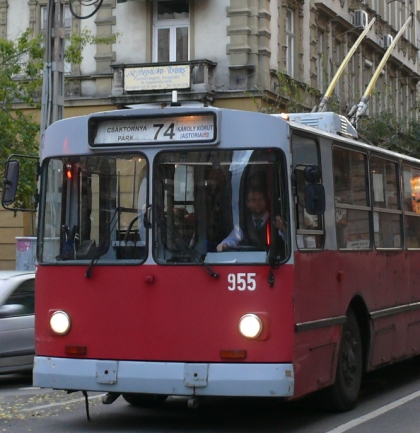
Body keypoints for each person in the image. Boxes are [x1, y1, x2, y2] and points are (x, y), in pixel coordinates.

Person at [216, 187, 286, 254]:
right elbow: (231, 240)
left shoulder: (276, 221)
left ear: (266, 201)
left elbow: (289, 242)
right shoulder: (243, 225)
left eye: (260, 199)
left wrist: (283, 229)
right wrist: (223, 245)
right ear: (247, 203)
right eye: (253, 200)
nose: (258, 203)